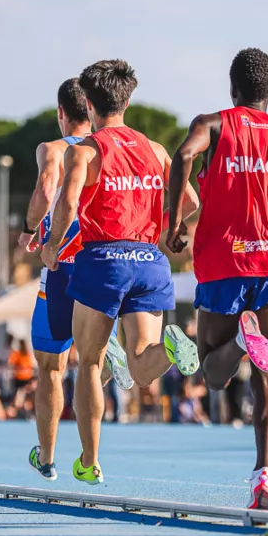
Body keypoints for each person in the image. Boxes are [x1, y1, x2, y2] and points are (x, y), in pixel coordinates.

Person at [41, 59, 200, 484]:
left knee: (90, 363)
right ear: (127, 100)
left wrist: (52, 246)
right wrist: (169, 228)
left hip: (103, 260)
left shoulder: (86, 150)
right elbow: (190, 202)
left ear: (88, 104)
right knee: (144, 366)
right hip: (150, 260)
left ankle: (90, 462)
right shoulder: (156, 149)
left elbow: (68, 203)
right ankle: (170, 348)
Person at [166, 48, 268, 511]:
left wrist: (174, 224)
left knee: (213, 373)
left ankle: (242, 343)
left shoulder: (215, 123)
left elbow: (184, 154)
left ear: (232, 88)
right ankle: (264, 476)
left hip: (226, 261)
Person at [20, 77, 132, 480]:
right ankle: (90, 459)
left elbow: (46, 188)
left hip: (62, 265)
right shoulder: (110, 148)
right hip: (102, 263)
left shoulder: (54, 148)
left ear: (62, 113)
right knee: (90, 360)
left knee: (51, 367)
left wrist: (29, 230)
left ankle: (47, 458)